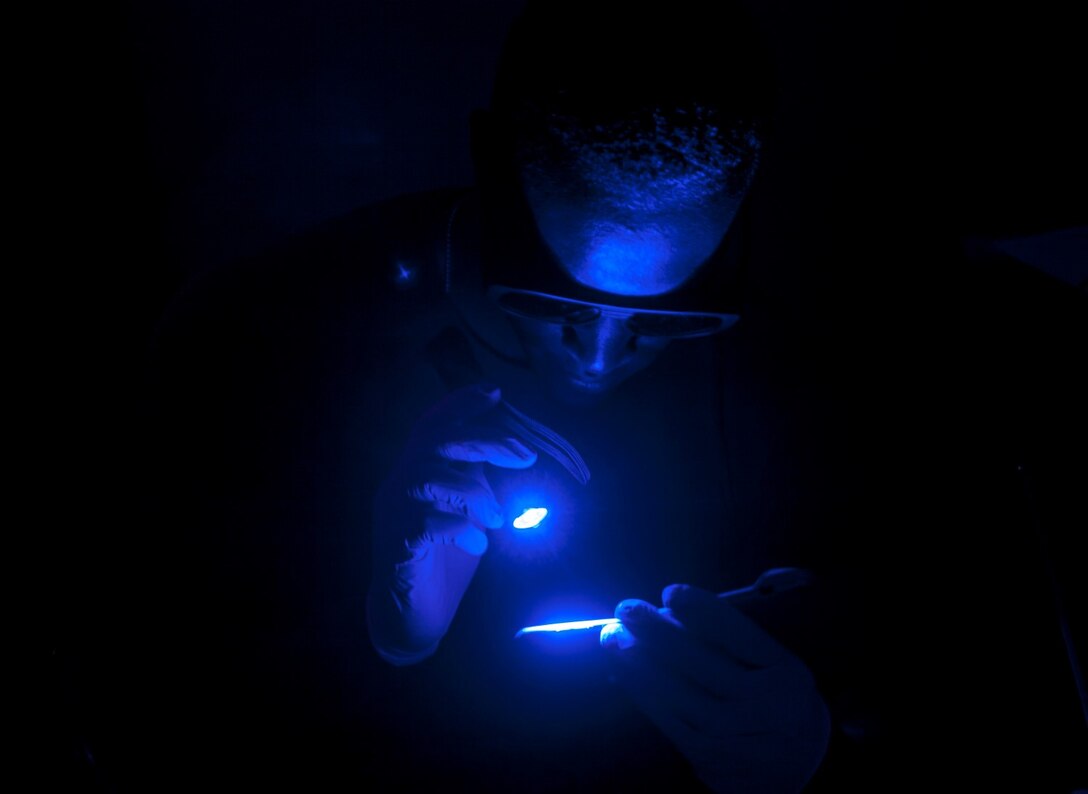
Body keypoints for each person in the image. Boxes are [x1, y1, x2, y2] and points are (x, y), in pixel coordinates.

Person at [82, 0, 1086, 792]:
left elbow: (998, 705)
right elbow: (146, 739)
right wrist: (380, 637)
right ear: (492, 164)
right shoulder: (251, 343)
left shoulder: (843, 363)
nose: (600, 360)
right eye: (553, 308)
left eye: (662, 320)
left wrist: (820, 759)